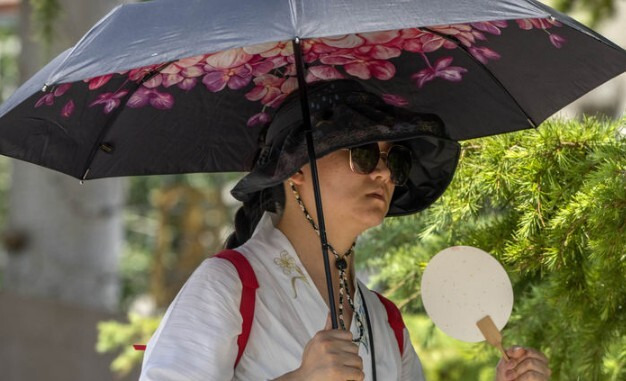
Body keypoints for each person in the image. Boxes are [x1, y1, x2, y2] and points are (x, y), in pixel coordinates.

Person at [139, 80, 551, 380]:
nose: (386, 173)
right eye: (364, 153)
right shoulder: (228, 284)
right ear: (295, 170)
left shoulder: (385, 319)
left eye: (397, 160)